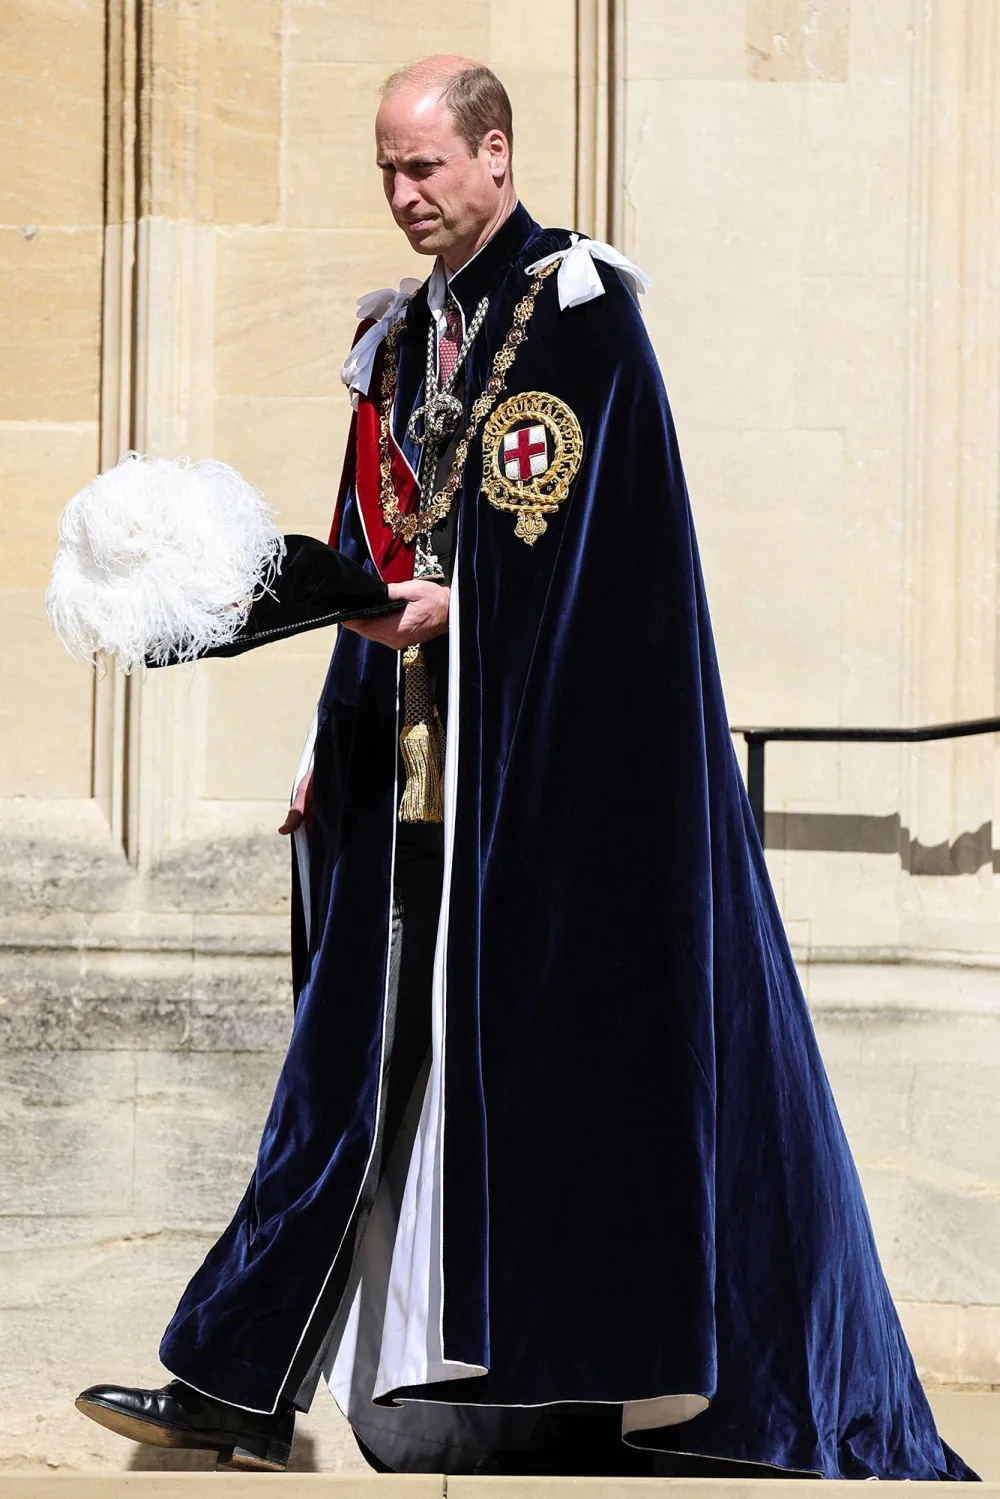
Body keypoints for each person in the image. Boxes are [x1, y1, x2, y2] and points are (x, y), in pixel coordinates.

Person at [76, 56, 977, 1480]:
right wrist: (329, 738)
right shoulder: (396, 342)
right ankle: (239, 1378)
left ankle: (566, 1388)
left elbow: (621, 573)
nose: (402, 194)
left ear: (497, 156)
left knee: (513, 1081)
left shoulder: (581, 315)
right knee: (350, 1064)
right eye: (385, 168)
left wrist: (465, 609)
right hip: (403, 774)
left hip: (547, 788)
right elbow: (363, 551)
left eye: (424, 166)